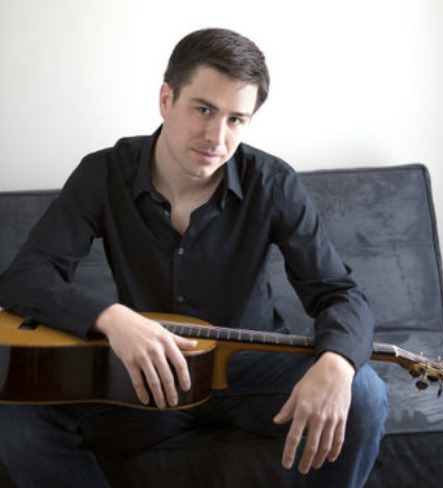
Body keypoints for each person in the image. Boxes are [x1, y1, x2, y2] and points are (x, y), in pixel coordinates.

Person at [0, 28, 388, 487]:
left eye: (235, 120)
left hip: (250, 371)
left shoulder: (273, 182)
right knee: (17, 417)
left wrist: (338, 364)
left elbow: (339, 293)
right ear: (166, 99)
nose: (216, 137)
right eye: (203, 109)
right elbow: (25, 277)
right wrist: (113, 319)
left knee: (363, 392)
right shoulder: (103, 173)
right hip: (142, 377)